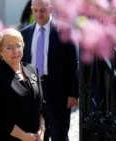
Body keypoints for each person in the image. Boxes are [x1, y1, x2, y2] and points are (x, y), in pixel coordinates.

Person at [20, 0, 79, 141]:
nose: (38, 15)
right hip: (33, 89)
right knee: (37, 134)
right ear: (31, 10)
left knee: (59, 133)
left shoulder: (65, 32)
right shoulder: (25, 34)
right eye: (35, 11)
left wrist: (73, 94)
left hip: (57, 91)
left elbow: (72, 64)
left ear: (50, 9)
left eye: (42, 10)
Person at [0, 28, 46, 141]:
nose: (15, 51)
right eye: (9, 47)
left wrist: (42, 128)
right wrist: (23, 136)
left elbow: (41, 105)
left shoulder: (32, 69)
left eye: (18, 46)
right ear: (0, 51)